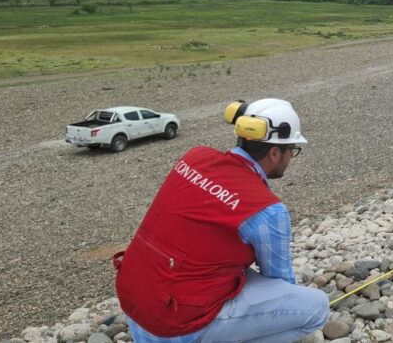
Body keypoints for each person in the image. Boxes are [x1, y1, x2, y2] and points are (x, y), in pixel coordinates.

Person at [114, 98, 329, 343]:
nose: (291, 158)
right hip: (174, 326)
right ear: (275, 152)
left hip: (136, 303)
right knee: (315, 309)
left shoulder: (194, 158)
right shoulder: (268, 210)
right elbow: (279, 283)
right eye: (292, 151)